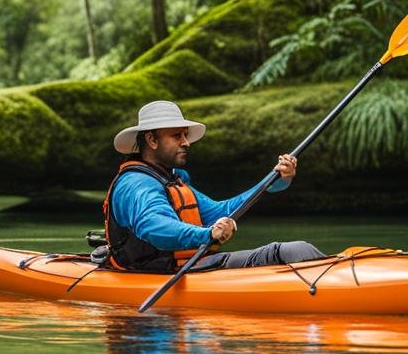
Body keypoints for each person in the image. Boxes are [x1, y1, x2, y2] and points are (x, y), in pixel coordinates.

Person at [104, 101, 325, 273]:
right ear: (152, 140)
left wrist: (271, 181)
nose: (187, 142)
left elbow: (220, 211)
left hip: (188, 268)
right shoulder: (135, 184)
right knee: (289, 251)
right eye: (176, 136)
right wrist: (207, 234)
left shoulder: (172, 180)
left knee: (297, 250)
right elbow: (154, 226)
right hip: (154, 275)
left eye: (185, 135)